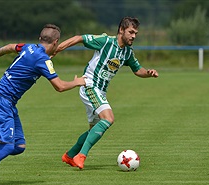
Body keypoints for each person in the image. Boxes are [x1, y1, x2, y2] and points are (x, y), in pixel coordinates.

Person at [0, 24, 86, 185]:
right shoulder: (43, 60)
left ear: (40, 39)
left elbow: (12, 47)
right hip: (1, 102)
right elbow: (60, 86)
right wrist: (76, 82)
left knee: (18, 146)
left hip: (6, 102)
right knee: (6, 147)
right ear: (55, 42)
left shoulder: (28, 47)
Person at [53, 17, 159, 169]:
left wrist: (148, 73)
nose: (134, 36)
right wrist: (56, 50)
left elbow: (138, 70)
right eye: (131, 32)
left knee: (94, 130)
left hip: (100, 91)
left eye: (135, 33)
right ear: (121, 30)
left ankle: (69, 155)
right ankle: (81, 156)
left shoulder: (127, 52)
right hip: (89, 85)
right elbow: (79, 38)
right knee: (108, 118)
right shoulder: (105, 41)